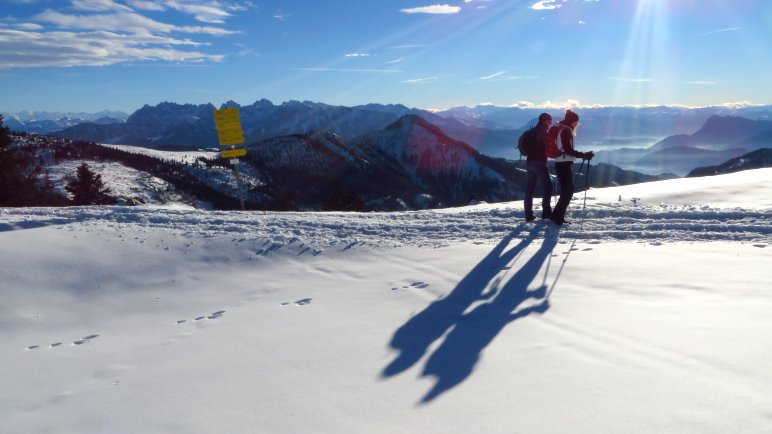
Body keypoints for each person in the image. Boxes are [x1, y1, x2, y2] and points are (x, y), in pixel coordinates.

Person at [549, 109, 594, 225]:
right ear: (572, 121)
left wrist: (583, 155)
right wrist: (583, 155)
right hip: (563, 163)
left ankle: (556, 215)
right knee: (568, 192)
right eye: (576, 121)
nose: (577, 124)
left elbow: (567, 150)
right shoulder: (566, 131)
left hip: (563, 163)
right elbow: (568, 150)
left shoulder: (564, 129)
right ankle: (558, 217)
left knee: (567, 191)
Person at [523, 112, 553, 222]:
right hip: (539, 162)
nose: (550, 123)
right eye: (549, 120)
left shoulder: (533, 131)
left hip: (530, 162)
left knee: (529, 189)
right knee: (548, 187)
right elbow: (545, 146)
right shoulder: (543, 131)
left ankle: (528, 214)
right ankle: (546, 213)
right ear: (545, 120)